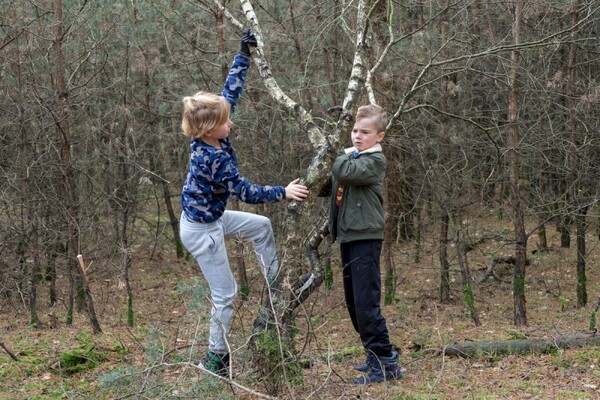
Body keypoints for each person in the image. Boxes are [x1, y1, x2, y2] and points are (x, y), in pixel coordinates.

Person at [178, 29, 309, 377]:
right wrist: (283, 192)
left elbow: (228, 94)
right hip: (201, 231)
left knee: (261, 227)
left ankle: (276, 281)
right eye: (225, 121)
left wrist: (243, 56)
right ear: (209, 130)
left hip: (213, 218)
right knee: (227, 294)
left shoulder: (211, 132)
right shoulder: (212, 158)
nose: (231, 121)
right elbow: (246, 192)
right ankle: (216, 359)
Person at [322, 104, 401, 384]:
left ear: (379, 137)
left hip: (365, 237)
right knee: (354, 304)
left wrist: (333, 152)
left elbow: (343, 172)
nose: (357, 136)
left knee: (366, 304)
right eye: (355, 130)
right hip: (348, 236)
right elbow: (330, 183)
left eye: (365, 132)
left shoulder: (373, 161)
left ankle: (386, 362)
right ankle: (374, 354)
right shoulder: (352, 159)